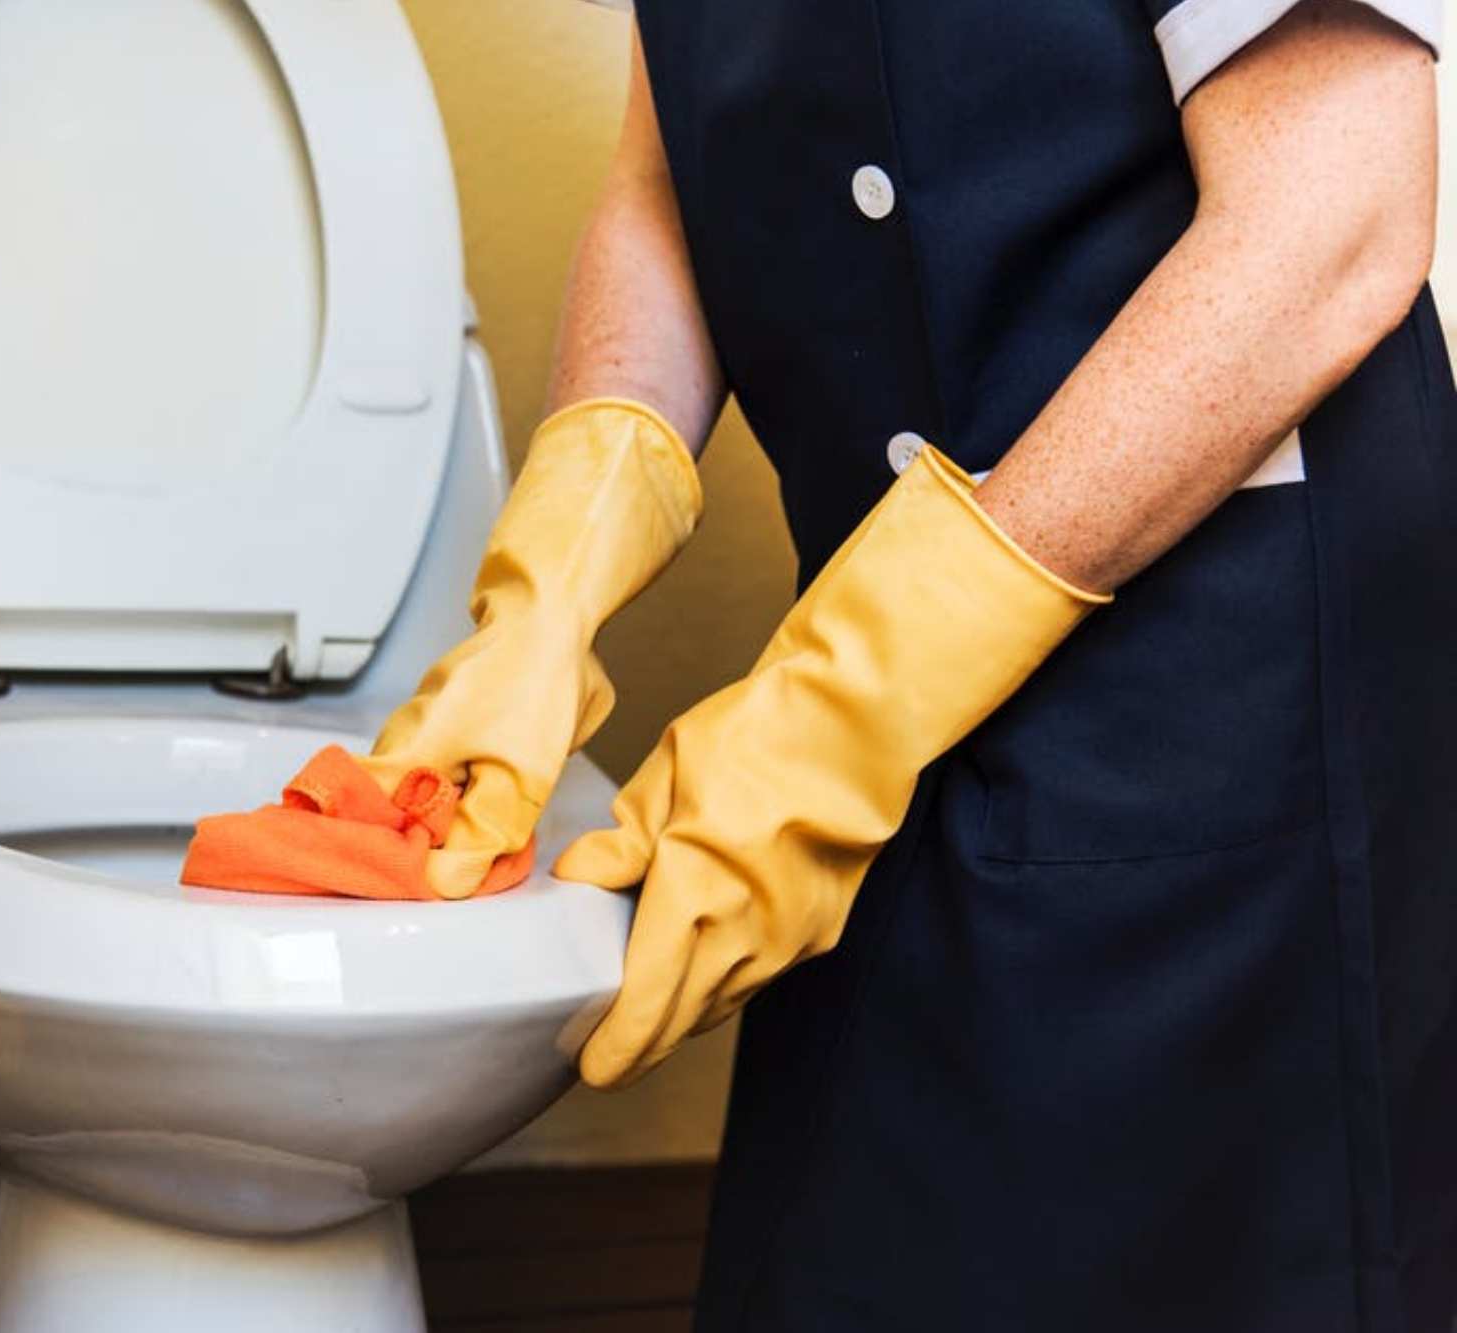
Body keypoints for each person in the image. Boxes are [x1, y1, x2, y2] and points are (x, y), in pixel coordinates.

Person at [360, 0, 1455, 1325]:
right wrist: (560, 566)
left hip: (1218, 691)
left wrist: (850, 698)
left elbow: (1334, 213)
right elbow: (664, 195)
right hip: (883, 698)